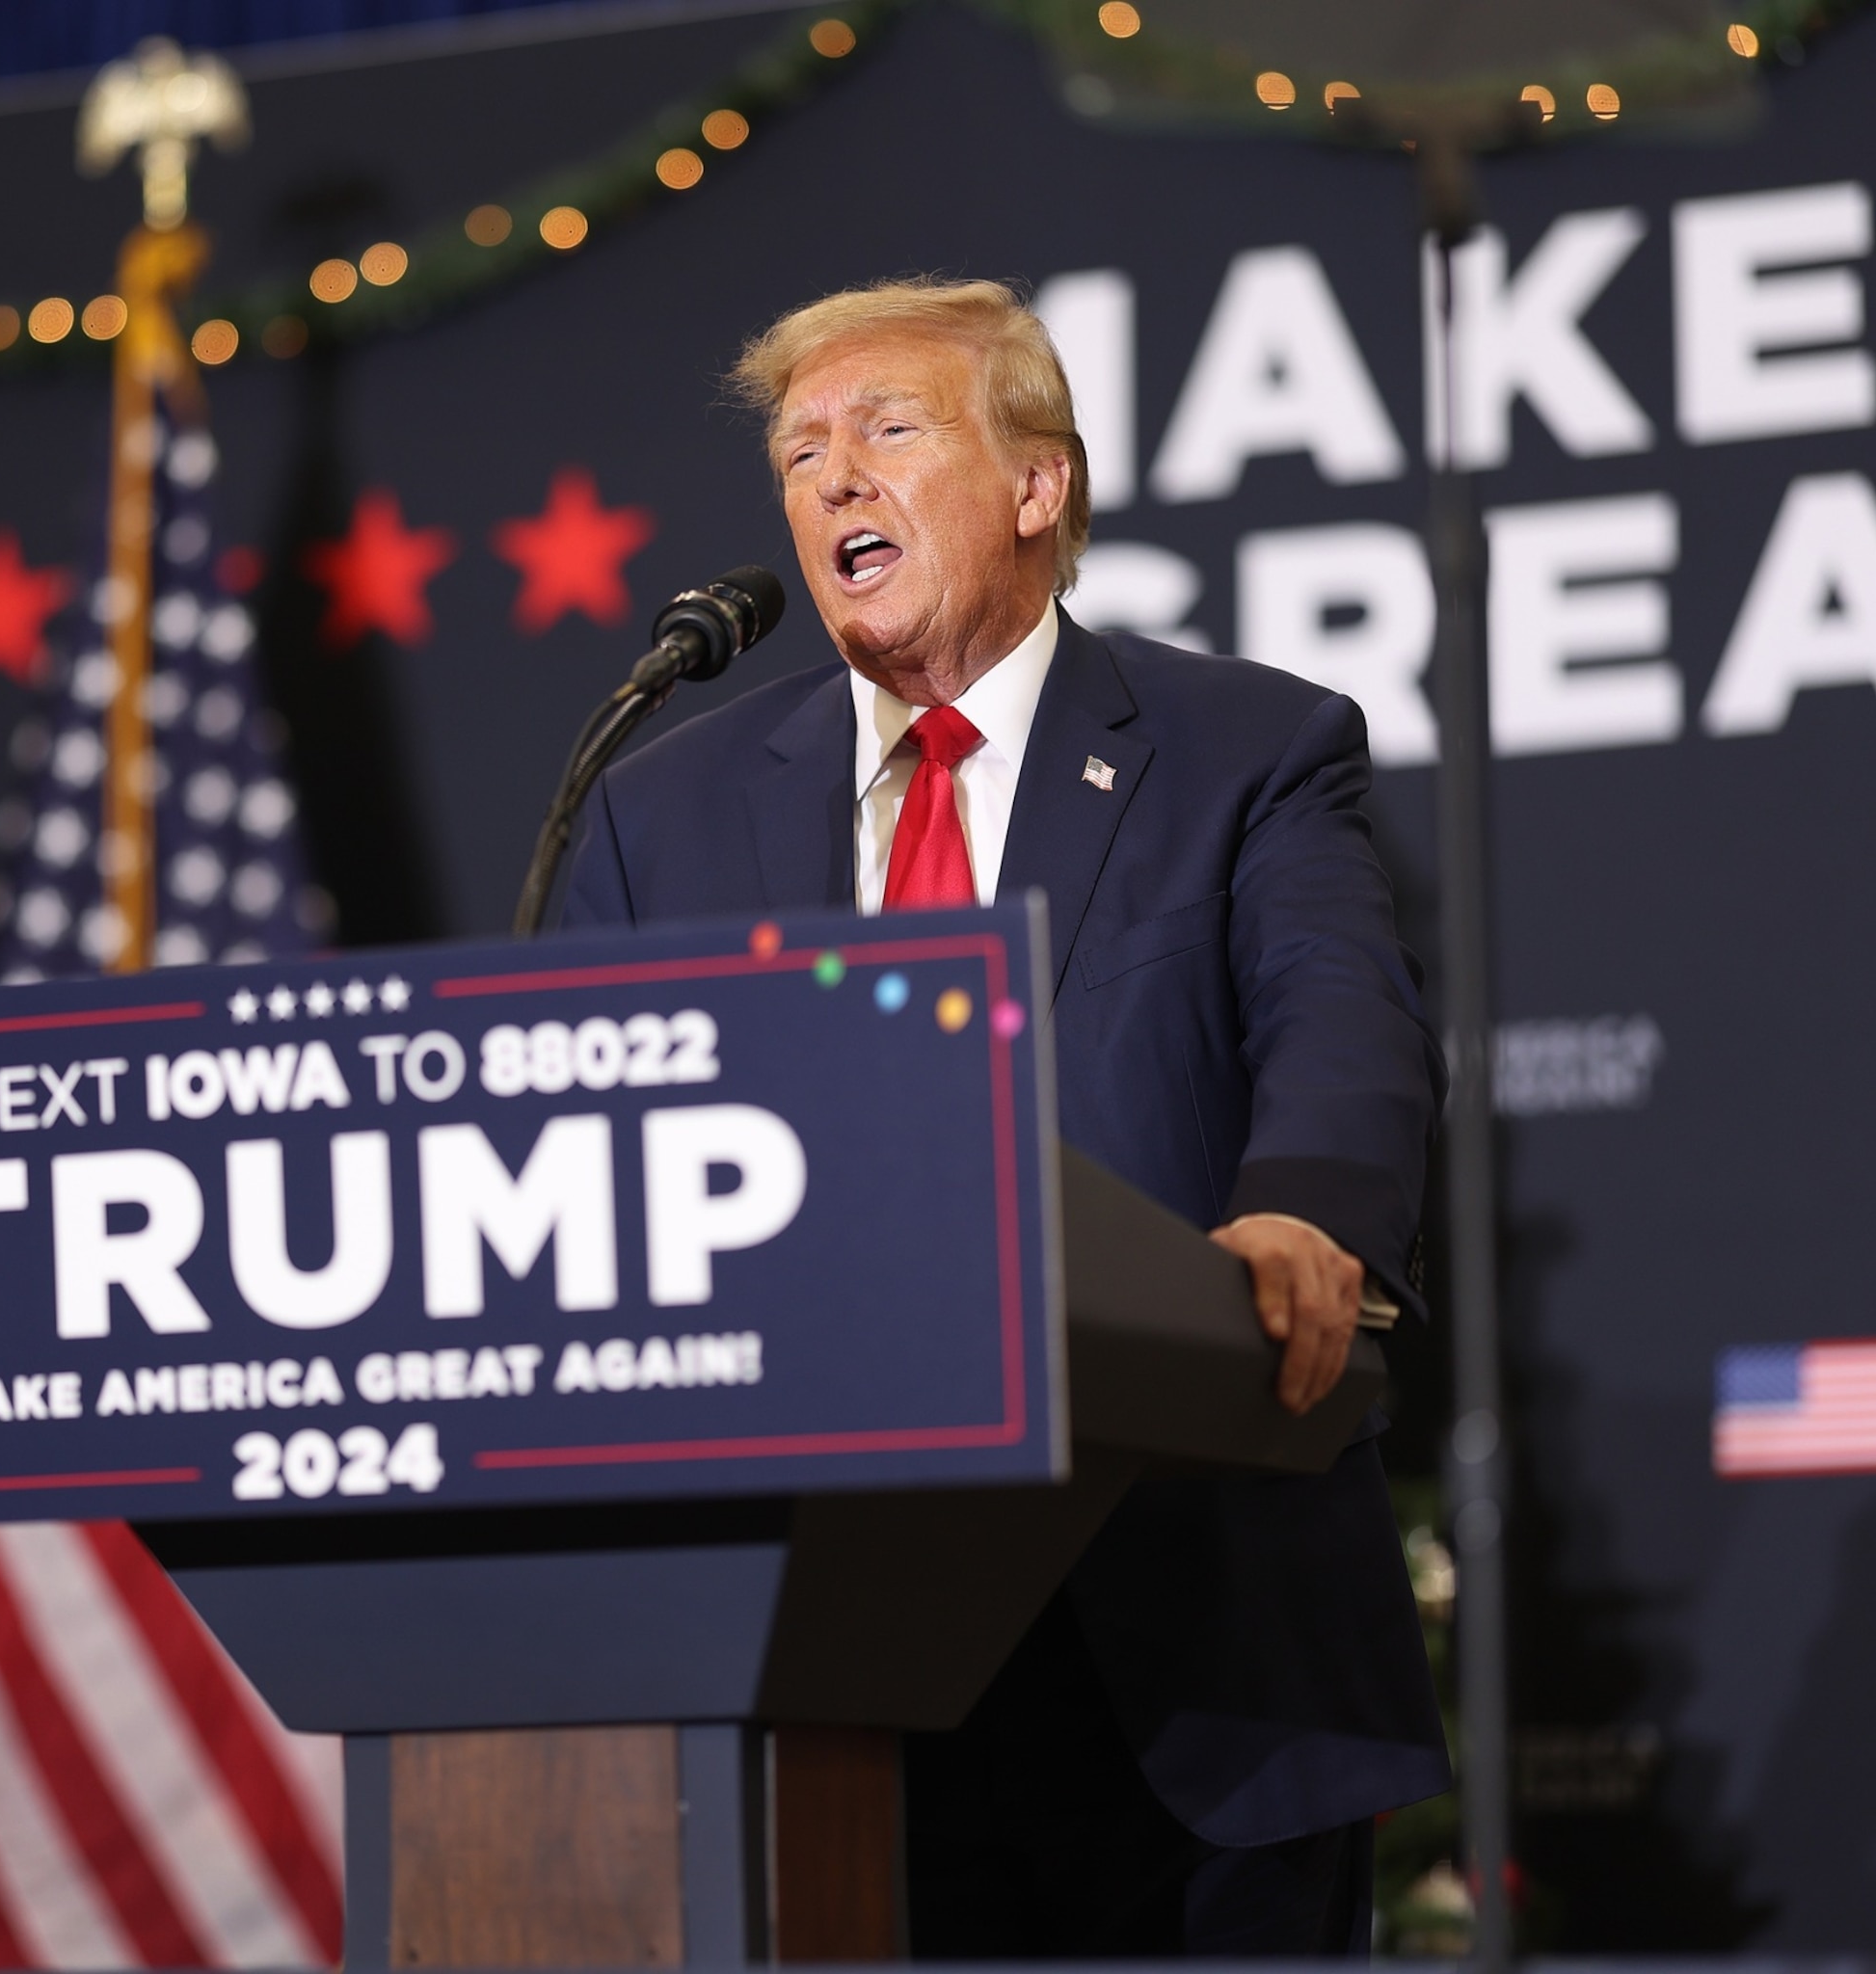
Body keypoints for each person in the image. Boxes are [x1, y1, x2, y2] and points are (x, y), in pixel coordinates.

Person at [556, 279, 1452, 1956]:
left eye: (889, 431)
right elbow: (580, 1146)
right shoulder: (655, 815)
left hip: (1185, 1637)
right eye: (800, 452)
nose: (833, 480)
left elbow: (1340, 1020)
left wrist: (1306, 1222)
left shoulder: (1241, 749)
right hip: (816, 1658)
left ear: (1040, 484)